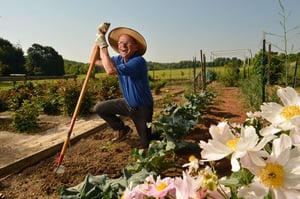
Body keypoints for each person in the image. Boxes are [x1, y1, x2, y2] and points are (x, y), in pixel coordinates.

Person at [93, 23, 154, 148]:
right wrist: (98, 41)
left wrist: (103, 45)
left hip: (142, 109)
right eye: (120, 43)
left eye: (127, 43)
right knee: (100, 108)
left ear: (136, 47)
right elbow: (94, 61)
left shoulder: (138, 61)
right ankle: (122, 129)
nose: (123, 45)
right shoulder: (119, 59)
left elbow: (110, 70)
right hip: (127, 104)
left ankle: (159, 134)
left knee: (147, 144)